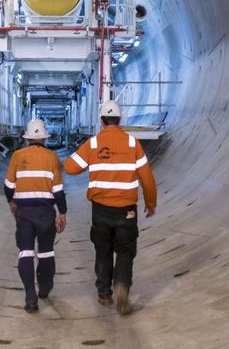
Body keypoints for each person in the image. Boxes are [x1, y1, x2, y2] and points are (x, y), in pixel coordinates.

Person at [64, 100, 157, 315]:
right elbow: (147, 178)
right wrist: (151, 203)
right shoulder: (133, 144)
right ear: (120, 119)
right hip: (127, 209)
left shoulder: (94, 144)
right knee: (125, 251)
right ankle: (122, 286)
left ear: (101, 121)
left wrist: (91, 161)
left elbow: (69, 167)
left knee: (103, 250)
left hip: (101, 210)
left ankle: (104, 294)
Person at [4, 119, 67, 313]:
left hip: (24, 213)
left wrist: (11, 202)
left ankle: (30, 297)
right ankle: (45, 288)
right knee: (46, 251)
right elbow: (58, 190)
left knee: (26, 252)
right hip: (46, 213)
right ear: (44, 139)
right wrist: (62, 212)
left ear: (28, 138)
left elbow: (8, 186)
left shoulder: (17, 156)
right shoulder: (52, 158)